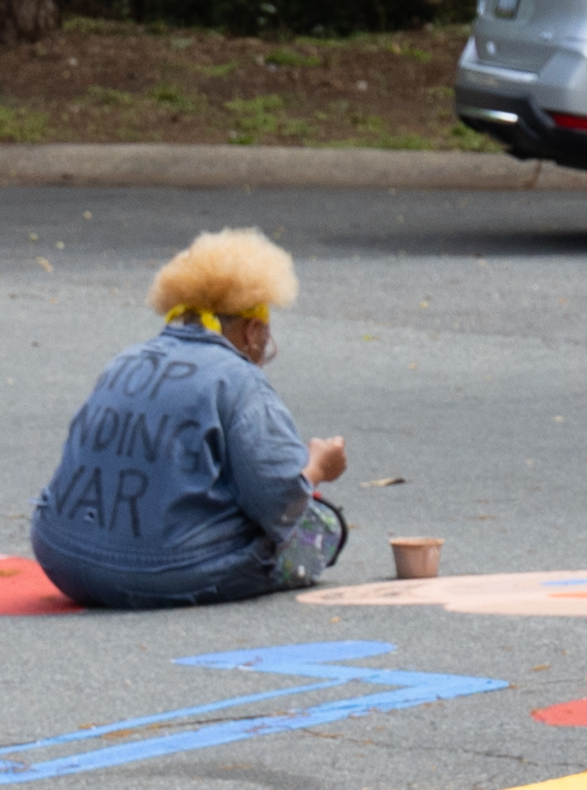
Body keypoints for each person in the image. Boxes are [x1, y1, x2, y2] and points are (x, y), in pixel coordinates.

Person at [29, 230, 360, 609]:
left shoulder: (125, 360)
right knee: (320, 526)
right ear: (253, 331)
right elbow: (279, 500)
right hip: (161, 572)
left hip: (61, 558)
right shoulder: (239, 379)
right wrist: (318, 467)